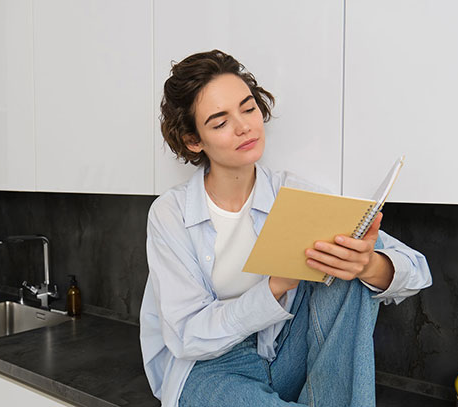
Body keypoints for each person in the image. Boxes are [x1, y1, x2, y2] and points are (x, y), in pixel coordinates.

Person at [139, 50, 432, 407]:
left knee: (347, 260)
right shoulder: (170, 214)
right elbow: (187, 337)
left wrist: (367, 265)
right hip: (210, 366)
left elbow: (416, 270)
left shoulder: (292, 196)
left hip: (285, 349)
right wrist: (276, 286)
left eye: (248, 109)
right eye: (220, 122)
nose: (244, 126)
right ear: (193, 140)